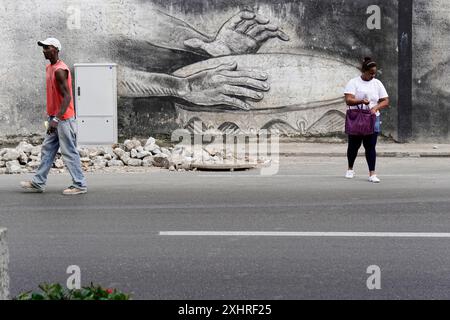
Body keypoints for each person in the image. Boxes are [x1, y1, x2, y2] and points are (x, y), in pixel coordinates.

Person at [20, 38, 87, 195]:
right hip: (55, 119)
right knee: (48, 150)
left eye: (47, 48)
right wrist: (52, 117)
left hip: (63, 120)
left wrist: (56, 119)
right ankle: (38, 182)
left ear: (56, 49)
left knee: (69, 152)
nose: (44, 50)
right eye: (43, 48)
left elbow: (67, 97)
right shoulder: (49, 67)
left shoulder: (59, 70)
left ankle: (80, 184)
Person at [344, 57, 389, 183]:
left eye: (374, 73)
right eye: (371, 73)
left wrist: (376, 107)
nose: (373, 75)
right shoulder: (354, 82)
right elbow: (348, 99)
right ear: (364, 71)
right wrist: (361, 101)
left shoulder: (377, 83)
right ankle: (350, 169)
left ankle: (372, 173)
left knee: (370, 146)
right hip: (357, 117)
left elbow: (385, 100)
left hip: (372, 117)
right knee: (354, 145)